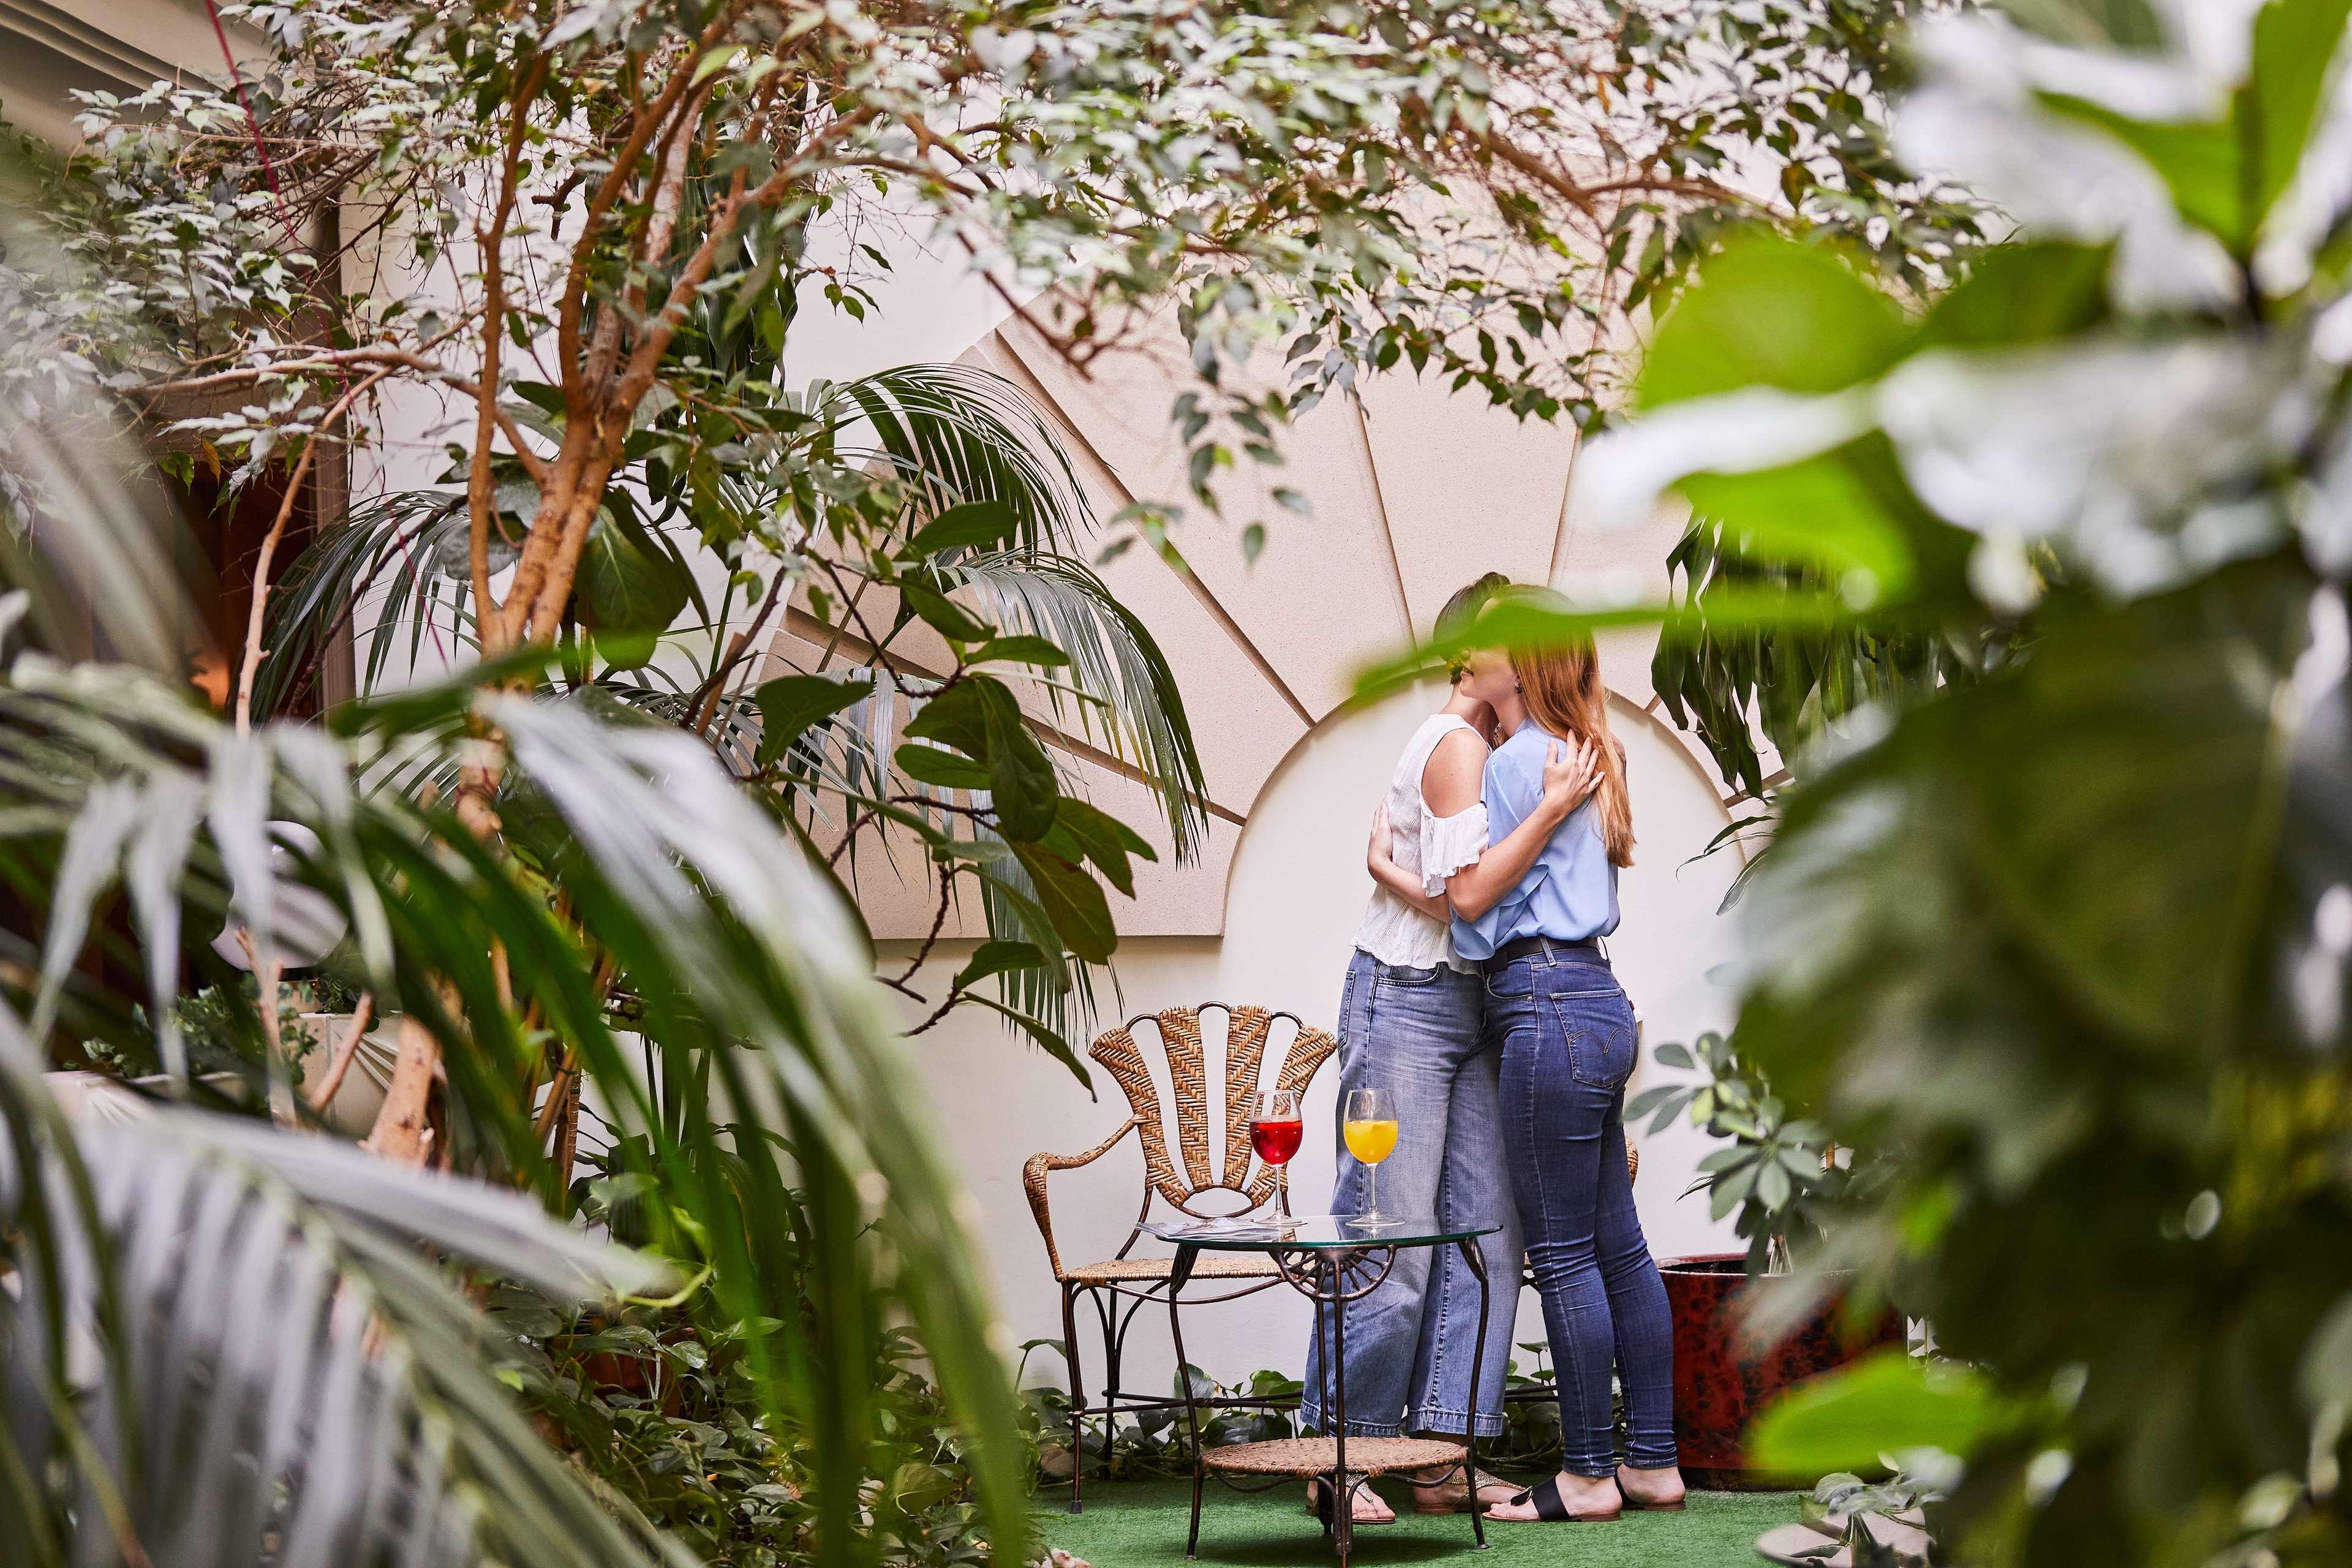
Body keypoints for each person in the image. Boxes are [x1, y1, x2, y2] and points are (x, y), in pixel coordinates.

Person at [1300, 573, 1600, 1524]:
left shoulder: (1511, 749)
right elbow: (1469, 901)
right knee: (1390, 1236)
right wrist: (1546, 815)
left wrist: (1394, 869)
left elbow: (1490, 902)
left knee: (1484, 1238)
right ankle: (1336, 1456)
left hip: (1481, 1008)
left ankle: (1437, 1454)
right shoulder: (1457, 743)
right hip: (1409, 1003)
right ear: (1470, 653)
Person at [1440, 592, 1684, 1523]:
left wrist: (1437, 903)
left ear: (1528, 662)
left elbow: (1477, 908)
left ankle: (1586, 1473)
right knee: (1621, 1250)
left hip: (1541, 1000)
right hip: (1599, 1001)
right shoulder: (1598, 754)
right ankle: (1652, 1461)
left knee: (1566, 1253)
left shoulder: (1511, 763)